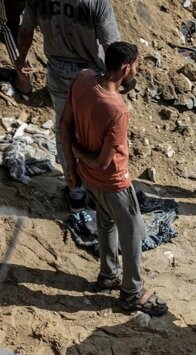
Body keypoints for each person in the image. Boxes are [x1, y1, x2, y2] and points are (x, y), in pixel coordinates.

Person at [59, 42, 168, 317]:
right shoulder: (117, 110)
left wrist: (72, 167)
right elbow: (102, 161)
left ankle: (108, 274)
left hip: (89, 178)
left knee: (106, 222)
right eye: (137, 67)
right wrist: (78, 152)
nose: (137, 72)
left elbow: (65, 125)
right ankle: (132, 293)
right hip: (114, 181)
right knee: (133, 234)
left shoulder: (83, 79)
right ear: (125, 68)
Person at [15, 0, 120, 211]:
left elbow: (26, 29)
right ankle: (96, 191)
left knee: (65, 130)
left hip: (58, 71)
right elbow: (111, 46)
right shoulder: (97, 2)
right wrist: (120, 79)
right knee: (95, 134)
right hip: (91, 74)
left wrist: (22, 57)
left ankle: (76, 193)